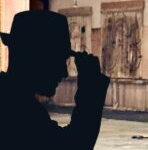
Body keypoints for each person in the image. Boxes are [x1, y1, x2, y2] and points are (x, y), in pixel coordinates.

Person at [0, 10, 110, 150]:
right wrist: (90, 89)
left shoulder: (12, 99)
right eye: (56, 60)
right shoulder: (17, 109)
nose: (64, 72)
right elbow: (74, 145)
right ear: (33, 56)